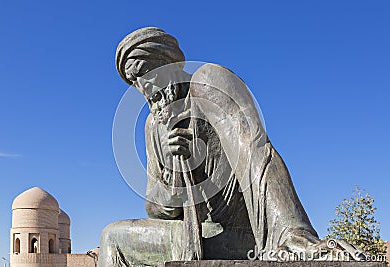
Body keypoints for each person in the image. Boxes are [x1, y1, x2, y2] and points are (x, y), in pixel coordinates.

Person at [98, 27, 353, 267]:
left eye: (146, 73)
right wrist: (171, 173)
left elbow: (255, 151)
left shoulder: (208, 81)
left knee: (112, 237)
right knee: (112, 237)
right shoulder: (154, 124)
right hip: (198, 233)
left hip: (242, 235)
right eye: (135, 81)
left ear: (168, 62)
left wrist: (293, 232)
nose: (144, 87)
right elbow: (156, 209)